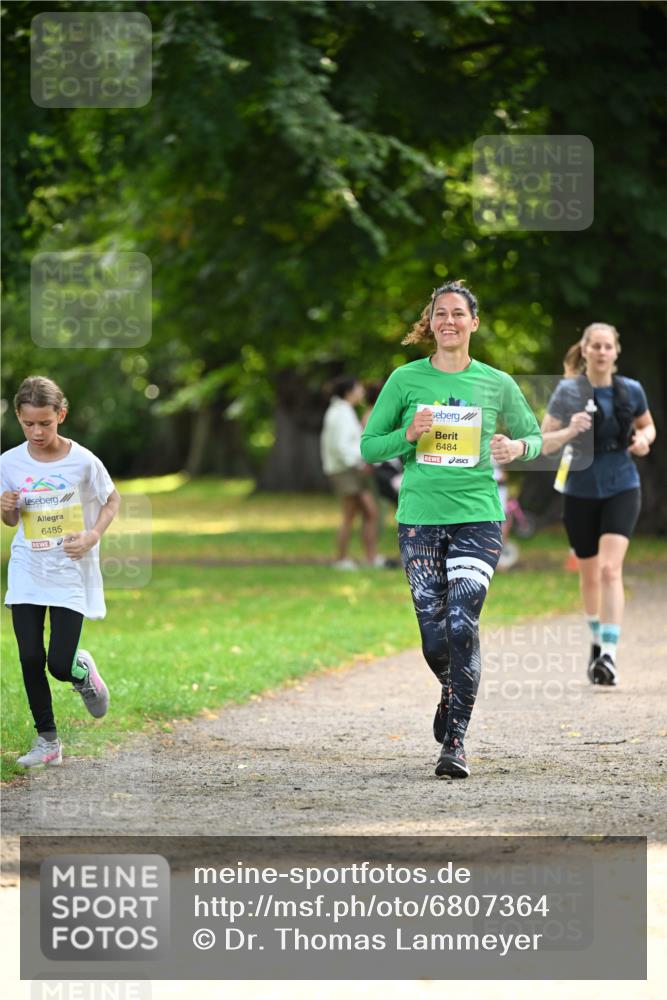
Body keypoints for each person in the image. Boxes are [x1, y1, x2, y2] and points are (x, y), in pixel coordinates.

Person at [361, 281, 542, 778]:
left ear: (473, 323)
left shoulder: (496, 383)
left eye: (458, 313)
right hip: (419, 521)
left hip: (478, 516)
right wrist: (408, 434)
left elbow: (533, 436)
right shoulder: (404, 380)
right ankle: (452, 687)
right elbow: (369, 446)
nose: (449, 321)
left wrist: (516, 448)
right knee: (435, 641)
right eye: (440, 313)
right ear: (431, 322)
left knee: (462, 624)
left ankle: (455, 741)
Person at [1, 376, 121, 767]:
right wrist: (6, 508)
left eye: (45, 423)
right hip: (27, 567)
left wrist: (92, 536)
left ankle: (80, 672)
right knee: (29, 656)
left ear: (61, 415)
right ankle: (47, 740)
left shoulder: (83, 460)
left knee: (57, 663)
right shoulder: (8, 463)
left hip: (69, 567)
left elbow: (111, 499)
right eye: (29, 424)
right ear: (18, 417)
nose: (37, 432)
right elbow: (10, 520)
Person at [541, 324, 656, 686]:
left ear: (616, 351)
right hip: (580, 489)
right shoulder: (568, 392)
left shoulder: (631, 390)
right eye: (596, 346)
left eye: (608, 346)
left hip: (623, 486)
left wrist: (643, 440)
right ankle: (596, 639)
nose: (602, 352)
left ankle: (609, 654)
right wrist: (570, 429)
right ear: (586, 350)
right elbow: (544, 441)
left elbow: (648, 426)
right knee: (589, 573)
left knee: (609, 569)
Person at [320, 375, 381, 569]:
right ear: (349, 392)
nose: (361, 392)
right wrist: (359, 463)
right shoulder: (340, 413)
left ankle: (370, 557)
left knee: (369, 513)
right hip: (345, 470)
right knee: (351, 515)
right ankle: (341, 559)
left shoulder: (345, 411)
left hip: (351, 468)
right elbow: (341, 446)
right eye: (358, 388)